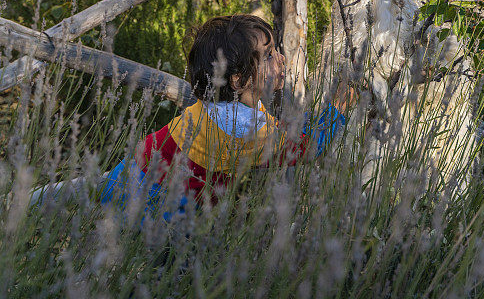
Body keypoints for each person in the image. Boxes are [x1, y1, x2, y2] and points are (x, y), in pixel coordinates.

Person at [99, 14, 350, 219]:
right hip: (154, 203)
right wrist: (338, 108)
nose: (281, 59)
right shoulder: (245, 129)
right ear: (239, 80)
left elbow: (281, 131)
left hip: (129, 173)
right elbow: (306, 148)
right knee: (175, 265)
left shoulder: (222, 107)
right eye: (269, 55)